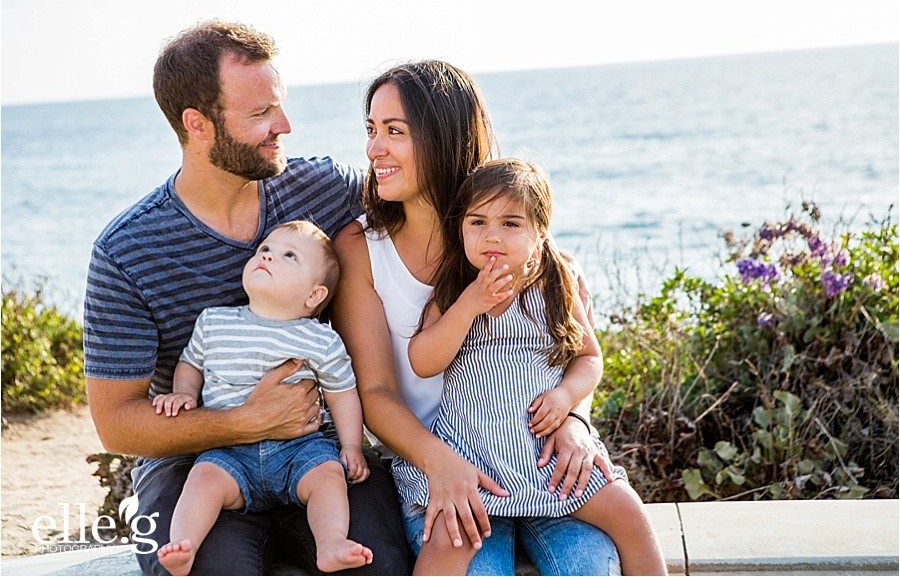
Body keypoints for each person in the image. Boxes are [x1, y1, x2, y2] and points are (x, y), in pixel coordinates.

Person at [82, 20, 409, 575]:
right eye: (260, 115)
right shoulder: (127, 251)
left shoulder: (321, 188)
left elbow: (430, 190)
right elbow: (117, 425)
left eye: (278, 106)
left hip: (318, 454)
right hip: (196, 467)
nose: (284, 125)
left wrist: (539, 259)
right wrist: (247, 421)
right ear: (198, 125)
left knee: (378, 566)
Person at [330, 60, 623, 575]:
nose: (374, 148)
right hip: (437, 470)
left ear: (444, 137)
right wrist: (441, 464)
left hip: (538, 461)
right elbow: (375, 393)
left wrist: (574, 419)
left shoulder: (509, 235)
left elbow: (569, 350)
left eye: (394, 131)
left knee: (592, 567)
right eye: (371, 130)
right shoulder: (361, 247)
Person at [399, 158, 667, 575]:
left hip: (546, 457)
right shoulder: (454, 290)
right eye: (477, 223)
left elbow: (589, 357)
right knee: (447, 541)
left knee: (627, 510)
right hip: (474, 455)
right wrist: (471, 305)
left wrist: (566, 397)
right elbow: (423, 361)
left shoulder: (554, 286)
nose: (492, 236)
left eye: (510, 224)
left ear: (540, 233)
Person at [151, 221, 373, 575]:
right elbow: (190, 363)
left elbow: (342, 392)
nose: (267, 255)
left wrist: (351, 446)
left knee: (329, 476)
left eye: (289, 255)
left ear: (313, 296)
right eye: (264, 249)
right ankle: (184, 544)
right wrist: (184, 393)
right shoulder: (215, 322)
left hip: (300, 450)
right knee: (203, 480)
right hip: (229, 450)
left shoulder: (319, 340)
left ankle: (330, 542)